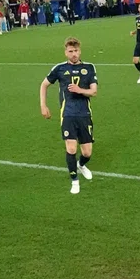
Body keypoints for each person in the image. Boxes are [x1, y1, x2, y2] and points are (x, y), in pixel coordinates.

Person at [40, 37, 98, 194]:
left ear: (80, 51)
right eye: (71, 51)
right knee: (71, 148)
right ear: (66, 52)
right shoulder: (59, 69)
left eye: (76, 51)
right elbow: (44, 85)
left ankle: (81, 165)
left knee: (87, 152)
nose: (74, 54)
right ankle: (74, 181)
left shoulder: (89, 67)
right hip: (68, 114)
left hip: (85, 114)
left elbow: (94, 91)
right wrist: (43, 105)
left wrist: (80, 90)